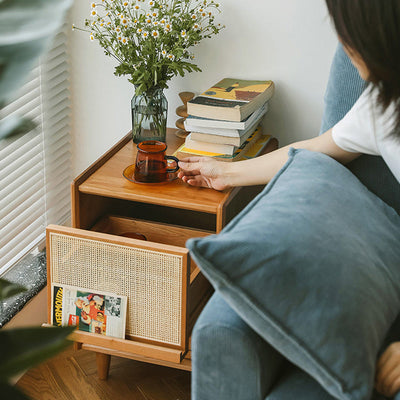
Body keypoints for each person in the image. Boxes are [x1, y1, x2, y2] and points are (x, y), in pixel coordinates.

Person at [179, 1, 400, 398]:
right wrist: (225, 173)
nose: (341, 42)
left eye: (345, 31)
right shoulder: (383, 102)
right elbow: (319, 148)